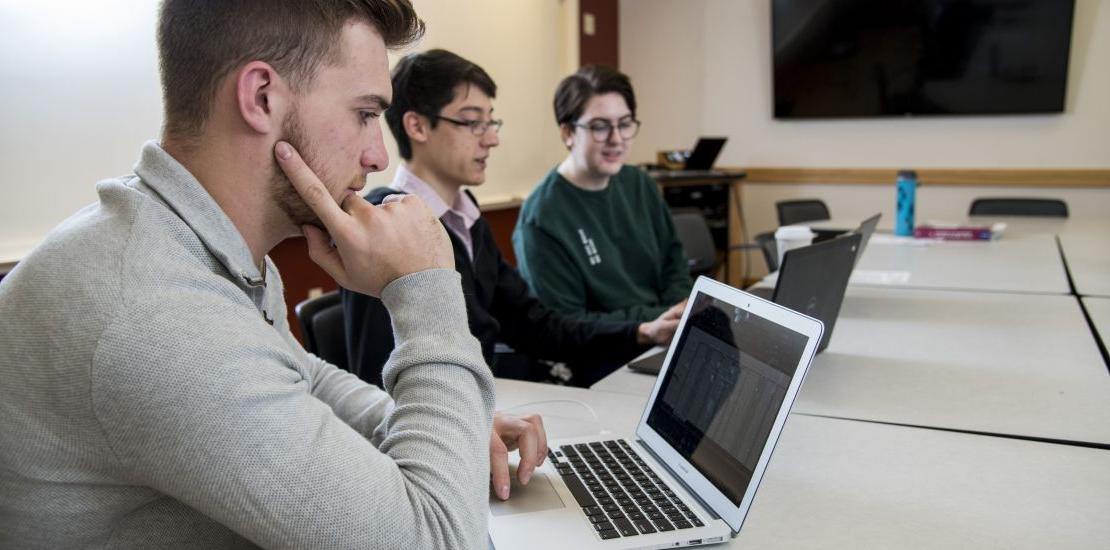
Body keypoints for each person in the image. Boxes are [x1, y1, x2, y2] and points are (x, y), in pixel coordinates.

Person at [0, 2, 544, 548]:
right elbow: (441, 539)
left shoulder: (186, 236)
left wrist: (435, 429)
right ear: (261, 97)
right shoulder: (157, 316)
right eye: (364, 113)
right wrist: (425, 286)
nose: (378, 154)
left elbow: (294, 371)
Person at [342, 49, 682, 389]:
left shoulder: (466, 217)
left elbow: (536, 326)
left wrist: (640, 332)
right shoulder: (383, 226)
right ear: (417, 126)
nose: (492, 139)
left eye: (490, 122)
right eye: (473, 122)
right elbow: (377, 384)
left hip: (486, 408)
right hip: (442, 427)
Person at [513, 65, 693, 323]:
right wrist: (654, 322)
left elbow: (674, 266)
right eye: (600, 127)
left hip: (665, 332)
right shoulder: (542, 217)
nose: (617, 139)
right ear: (568, 133)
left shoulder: (639, 183)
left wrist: (676, 313)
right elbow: (569, 324)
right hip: (604, 354)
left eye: (625, 124)